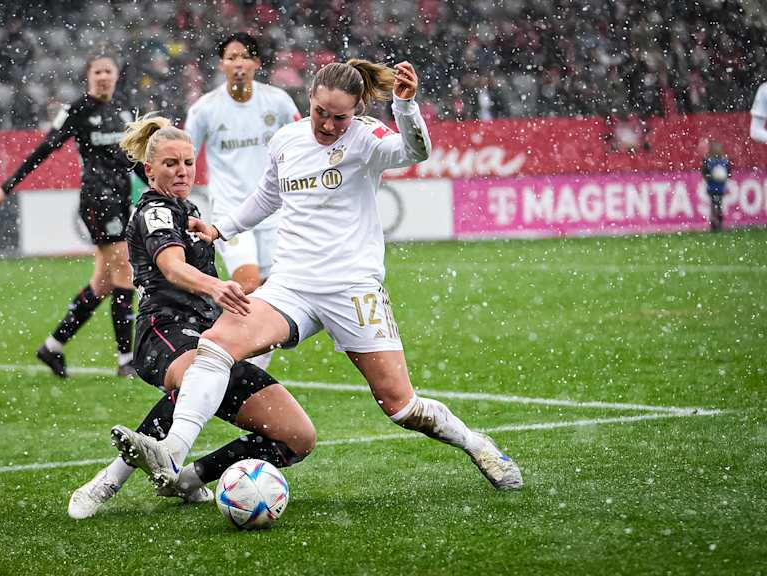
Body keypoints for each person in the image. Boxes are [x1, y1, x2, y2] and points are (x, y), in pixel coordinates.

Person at [112, 59, 523, 495]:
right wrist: (220, 228)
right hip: (293, 285)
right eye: (320, 112)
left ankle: (476, 444)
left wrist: (405, 105)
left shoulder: (368, 138)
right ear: (308, 100)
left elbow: (415, 152)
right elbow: (268, 196)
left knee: (401, 407)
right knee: (216, 343)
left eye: (339, 116)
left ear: (358, 109)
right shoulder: (287, 138)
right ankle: (173, 452)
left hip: (353, 289)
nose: (327, 124)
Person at [68, 114, 316, 519]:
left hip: (212, 338)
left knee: (297, 437)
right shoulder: (154, 212)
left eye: (187, 162)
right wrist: (217, 287)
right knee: (194, 377)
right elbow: (172, 267)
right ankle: (107, 481)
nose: (182, 171)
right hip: (162, 331)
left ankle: (189, 479)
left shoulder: (189, 209)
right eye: (170, 164)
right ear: (149, 170)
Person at [0, 51, 139, 378]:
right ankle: (126, 362)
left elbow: (132, 160)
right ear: (88, 76)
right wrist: (5, 188)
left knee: (103, 283)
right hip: (98, 200)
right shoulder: (77, 110)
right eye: (97, 71)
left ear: (116, 75)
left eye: (108, 70)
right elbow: (45, 149)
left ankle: (52, 347)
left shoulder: (123, 110)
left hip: (121, 198)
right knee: (124, 271)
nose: (103, 76)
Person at [183, 32, 301, 370]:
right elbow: (185, 156)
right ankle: (216, 354)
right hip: (231, 214)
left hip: (274, 211)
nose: (238, 64)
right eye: (231, 57)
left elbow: (301, 144)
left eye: (244, 57)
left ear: (256, 64)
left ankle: (250, 372)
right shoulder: (205, 109)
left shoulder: (277, 102)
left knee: (274, 293)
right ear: (222, 64)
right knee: (247, 284)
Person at [701, 141, 732, 232]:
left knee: (718, 205)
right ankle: (715, 224)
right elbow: (704, 172)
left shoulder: (724, 160)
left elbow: (729, 173)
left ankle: (718, 223)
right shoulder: (709, 160)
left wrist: (724, 177)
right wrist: (711, 177)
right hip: (712, 187)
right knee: (715, 205)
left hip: (720, 187)